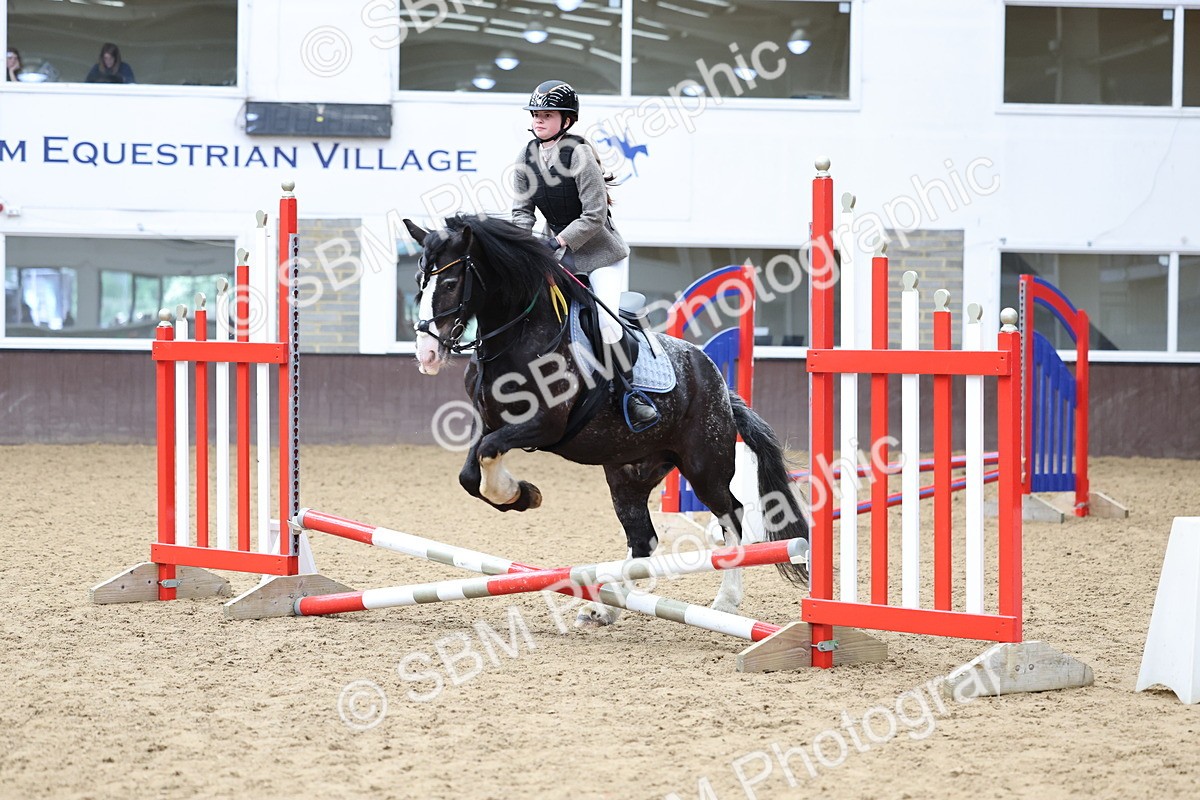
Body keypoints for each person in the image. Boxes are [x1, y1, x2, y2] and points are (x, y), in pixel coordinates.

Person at [511, 79, 658, 430]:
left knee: (606, 325)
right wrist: (524, 244)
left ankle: (631, 394)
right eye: (535, 115)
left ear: (566, 119)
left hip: (601, 255)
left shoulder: (579, 154)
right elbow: (521, 211)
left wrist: (558, 241)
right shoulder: (527, 155)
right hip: (557, 255)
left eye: (547, 115)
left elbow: (594, 215)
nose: (539, 121)